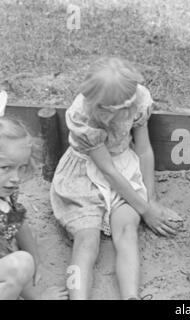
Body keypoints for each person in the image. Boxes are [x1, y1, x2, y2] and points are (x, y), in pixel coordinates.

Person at [50, 58, 180, 300]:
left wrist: (150, 200)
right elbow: (106, 169)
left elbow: (143, 149)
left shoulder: (138, 98)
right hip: (84, 176)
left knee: (127, 230)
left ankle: (131, 297)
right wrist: (145, 210)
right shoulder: (82, 115)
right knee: (86, 240)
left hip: (124, 170)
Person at [0, 104, 68, 300]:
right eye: (6, 167)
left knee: (24, 262)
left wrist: (35, 260)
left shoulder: (7, 192)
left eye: (21, 167)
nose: (16, 178)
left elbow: (17, 223)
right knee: (19, 264)